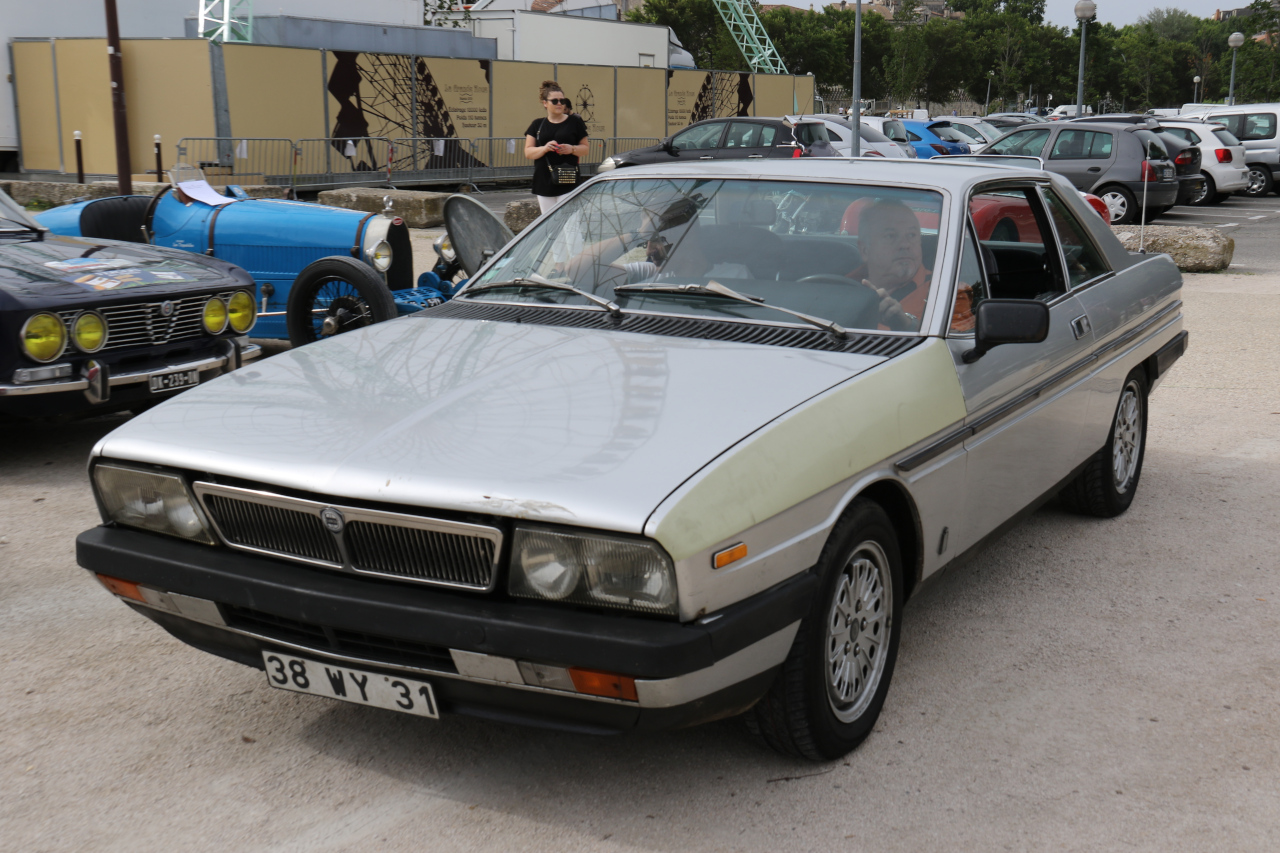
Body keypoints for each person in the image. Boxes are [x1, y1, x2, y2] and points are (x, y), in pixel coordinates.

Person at [846, 198, 972, 331]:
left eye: (911, 235)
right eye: (891, 236)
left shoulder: (951, 292)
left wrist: (906, 325)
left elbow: (953, 345)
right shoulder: (840, 288)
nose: (905, 244)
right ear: (865, 250)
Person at [525, 81, 589, 215]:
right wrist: (545, 148)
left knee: (571, 225)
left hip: (568, 179)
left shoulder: (574, 122)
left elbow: (586, 149)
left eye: (562, 100)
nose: (559, 103)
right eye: (554, 101)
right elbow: (528, 152)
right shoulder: (537, 125)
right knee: (549, 225)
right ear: (545, 103)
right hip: (544, 180)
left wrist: (571, 149)